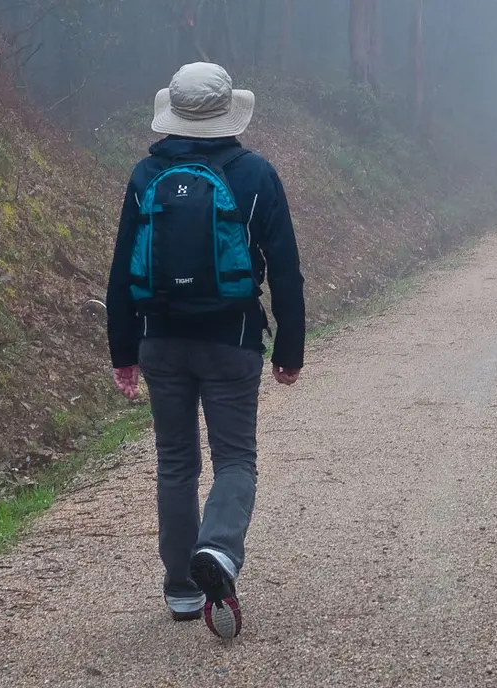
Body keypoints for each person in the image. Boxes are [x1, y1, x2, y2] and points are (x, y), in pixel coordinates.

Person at [105, 62, 305, 639]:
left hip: (160, 341)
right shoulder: (255, 175)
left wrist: (124, 351)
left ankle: (182, 590)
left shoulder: (146, 175)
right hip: (232, 341)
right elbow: (285, 269)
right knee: (236, 459)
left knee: (175, 463)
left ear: (174, 113)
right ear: (227, 113)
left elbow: (122, 271)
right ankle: (217, 550)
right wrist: (288, 348)